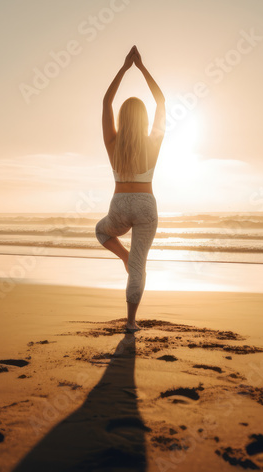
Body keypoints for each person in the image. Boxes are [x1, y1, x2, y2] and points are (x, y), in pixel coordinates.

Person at [95, 45, 166, 333]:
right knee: (138, 266)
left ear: (123, 119)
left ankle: (124, 256)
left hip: (119, 204)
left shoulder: (113, 143)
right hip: (146, 205)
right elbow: (161, 102)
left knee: (101, 231)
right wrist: (142, 67)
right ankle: (131, 322)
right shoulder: (152, 144)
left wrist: (125, 68)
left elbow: (105, 103)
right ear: (144, 121)